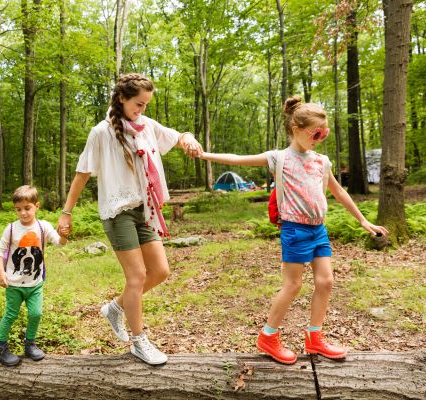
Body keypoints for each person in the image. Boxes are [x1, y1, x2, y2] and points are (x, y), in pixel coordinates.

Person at [198, 95, 388, 364]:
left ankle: (314, 338)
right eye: (315, 133)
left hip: (318, 229)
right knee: (293, 284)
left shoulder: (322, 161)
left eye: (324, 134)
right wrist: (205, 154)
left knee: (326, 281)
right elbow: (238, 159)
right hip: (295, 229)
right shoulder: (279, 158)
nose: (319, 138)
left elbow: (338, 191)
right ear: (296, 129)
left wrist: (362, 220)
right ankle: (268, 336)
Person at [58, 73, 203, 365]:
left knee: (160, 271)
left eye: (146, 105)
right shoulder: (101, 132)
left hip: (145, 209)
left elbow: (177, 137)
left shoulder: (146, 126)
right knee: (136, 277)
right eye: (138, 104)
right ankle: (139, 342)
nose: (142, 110)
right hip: (118, 211)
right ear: (122, 98)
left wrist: (189, 139)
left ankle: (115, 307)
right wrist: (66, 212)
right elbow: (82, 173)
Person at [0, 185, 69, 366]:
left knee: (36, 314)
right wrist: (1, 272)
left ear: (37, 206)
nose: (23, 213)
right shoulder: (11, 228)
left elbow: (59, 242)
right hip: (14, 284)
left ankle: (30, 344)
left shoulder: (43, 226)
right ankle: (1, 347)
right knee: (10, 315)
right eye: (18, 209)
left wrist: (64, 235)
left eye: (27, 208)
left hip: (35, 283)